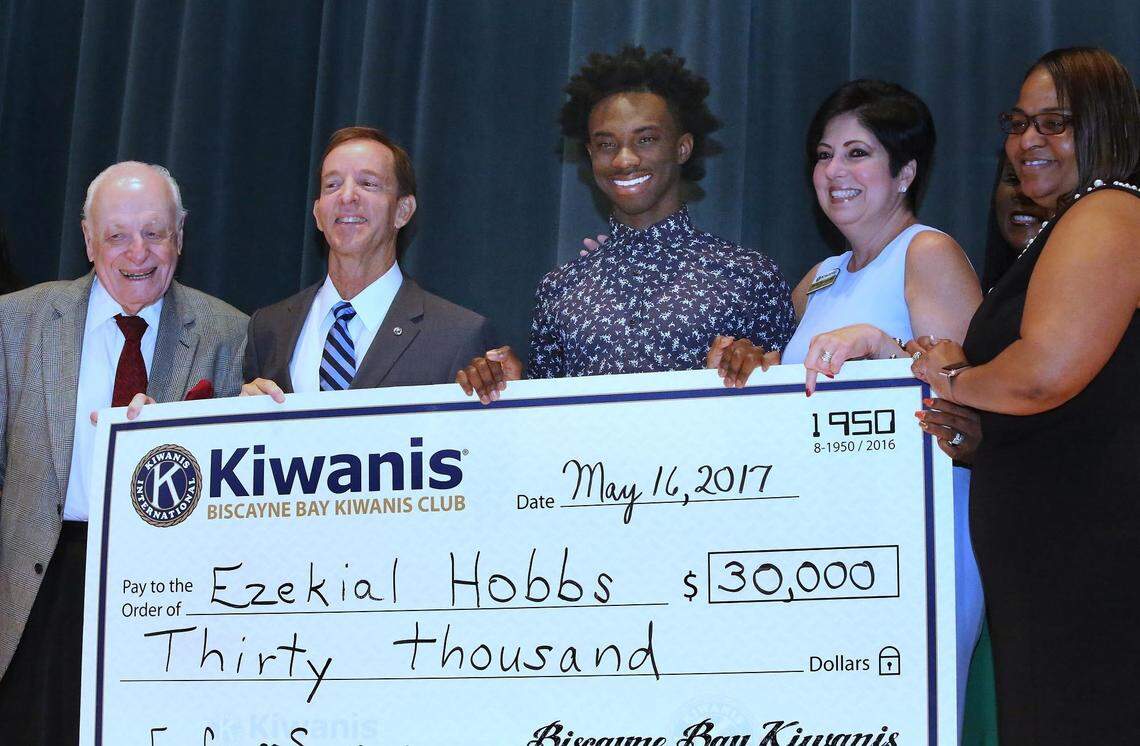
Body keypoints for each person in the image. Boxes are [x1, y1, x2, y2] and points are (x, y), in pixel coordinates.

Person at [707, 79, 984, 732]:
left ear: (905, 172)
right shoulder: (821, 278)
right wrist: (745, 368)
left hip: (911, 547)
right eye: (824, 155)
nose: (835, 172)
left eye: (858, 154)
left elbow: (972, 398)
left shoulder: (927, 252)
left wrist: (881, 345)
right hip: (825, 547)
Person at [911, 47, 1140, 743]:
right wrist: (986, 437)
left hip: (1089, 559)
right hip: (1056, 557)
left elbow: (1043, 375)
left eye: (1054, 123)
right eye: (1017, 123)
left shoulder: (1107, 210)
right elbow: (1086, 402)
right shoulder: (1073, 222)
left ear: (1106, 126)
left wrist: (952, 376)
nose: (1027, 141)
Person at [0, 161, 248, 742]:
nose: (138, 253)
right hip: (41, 585)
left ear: (180, 236)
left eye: (154, 232)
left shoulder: (228, 333)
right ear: (89, 241)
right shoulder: (16, 322)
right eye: (117, 236)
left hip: (166, 595)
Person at [456, 46, 795, 401]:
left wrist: (757, 370)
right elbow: (548, 418)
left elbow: (789, 412)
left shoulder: (749, 277)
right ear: (590, 155)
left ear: (682, 148)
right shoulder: (559, 289)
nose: (624, 160)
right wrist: (506, 386)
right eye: (606, 145)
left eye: (645, 140)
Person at [242, 126, 493, 400]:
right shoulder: (268, 328)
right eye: (332, 185)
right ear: (317, 213)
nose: (347, 196)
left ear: (402, 211)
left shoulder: (457, 335)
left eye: (368, 184)